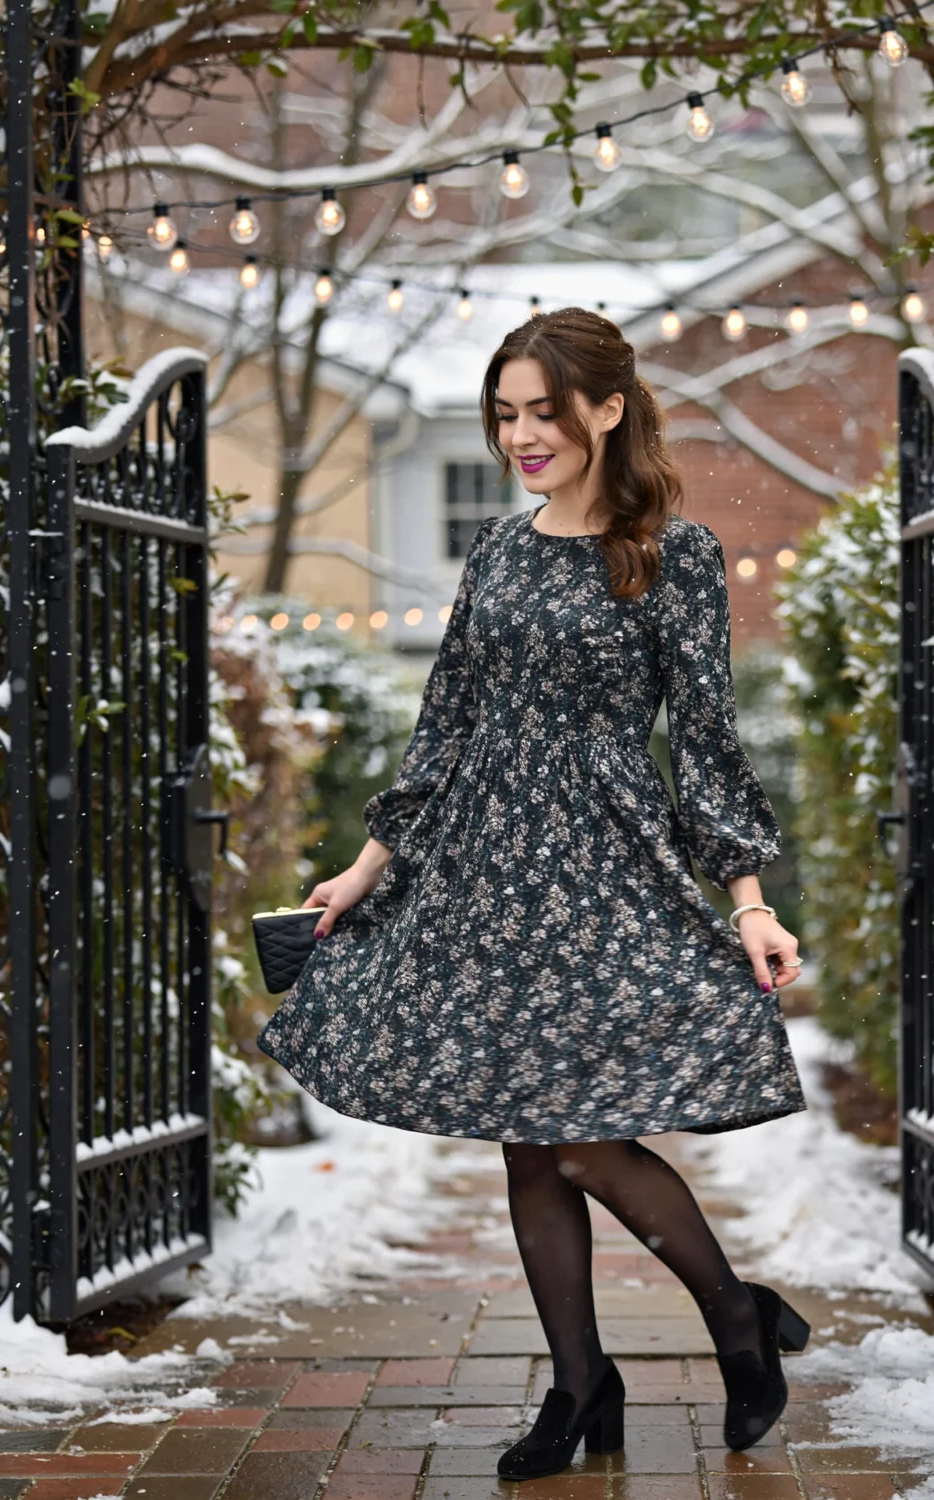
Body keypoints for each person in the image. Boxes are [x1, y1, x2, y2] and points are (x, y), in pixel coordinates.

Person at [257, 307, 810, 1478]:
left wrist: (747, 898)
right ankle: (578, 1388)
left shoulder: (675, 554)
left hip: (606, 872)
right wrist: (367, 866)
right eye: (503, 416)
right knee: (525, 1146)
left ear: (607, 409)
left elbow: (705, 742)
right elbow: (446, 721)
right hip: (486, 878)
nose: (521, 436)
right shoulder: (498, 552)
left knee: (588, 1146)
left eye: (542, 413)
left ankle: (734, 1317)